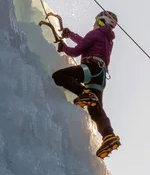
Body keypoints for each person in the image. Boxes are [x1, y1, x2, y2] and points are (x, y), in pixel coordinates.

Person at [52, 11, 121, 158]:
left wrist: (63, 48)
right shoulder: (107, 39)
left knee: (59, 76)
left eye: (97, 21)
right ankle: (108, 136)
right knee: (95, 109)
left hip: (91, 68)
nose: (94, 24)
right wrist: (70, 34)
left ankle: (83, 93)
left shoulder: (95, 33)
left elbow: (77, 50)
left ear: (102, 21)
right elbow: (86, 43)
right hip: (100, 76)